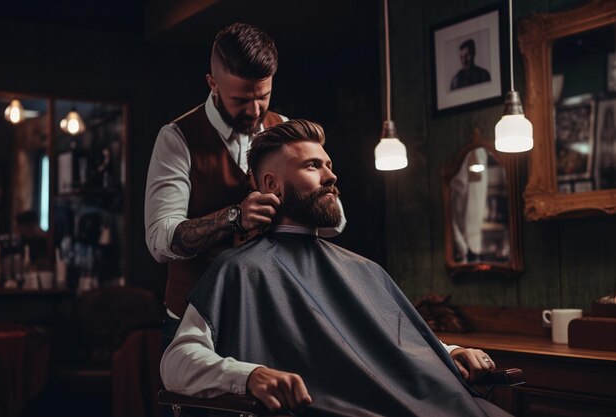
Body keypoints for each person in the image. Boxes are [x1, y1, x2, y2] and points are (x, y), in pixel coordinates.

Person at [161, 120, 511, 417]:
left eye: (328, 165)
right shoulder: (239, 270)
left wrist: (449, 353)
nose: (331, 176)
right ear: (271, 185)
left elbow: (390, 338)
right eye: (312, 166)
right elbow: (176, 362)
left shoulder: (364, 269)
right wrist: (250, 375)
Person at [144, 24, 346, 349]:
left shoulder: (283, 130)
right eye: (240, 99)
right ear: (213, 83)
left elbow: (335, 223)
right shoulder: (178, 138)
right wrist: (233, 217)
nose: (254, 111)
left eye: (263, 96)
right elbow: (159, 240)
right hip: (195, 321)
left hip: (268, 314)